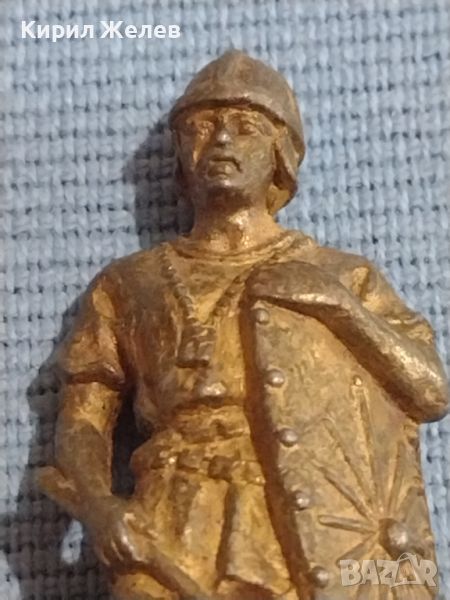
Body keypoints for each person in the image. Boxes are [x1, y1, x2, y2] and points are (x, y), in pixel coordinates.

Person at [39, 51, 448, 600]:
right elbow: (84, 417)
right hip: (168, 519)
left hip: (299, 526)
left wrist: (338, 306)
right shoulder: (129, 283)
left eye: (246, 126)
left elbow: (429, 391)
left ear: (281, 152)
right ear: (179, 151)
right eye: (201, 127)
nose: (222, 140)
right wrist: (99, 506)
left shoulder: (342, 275)